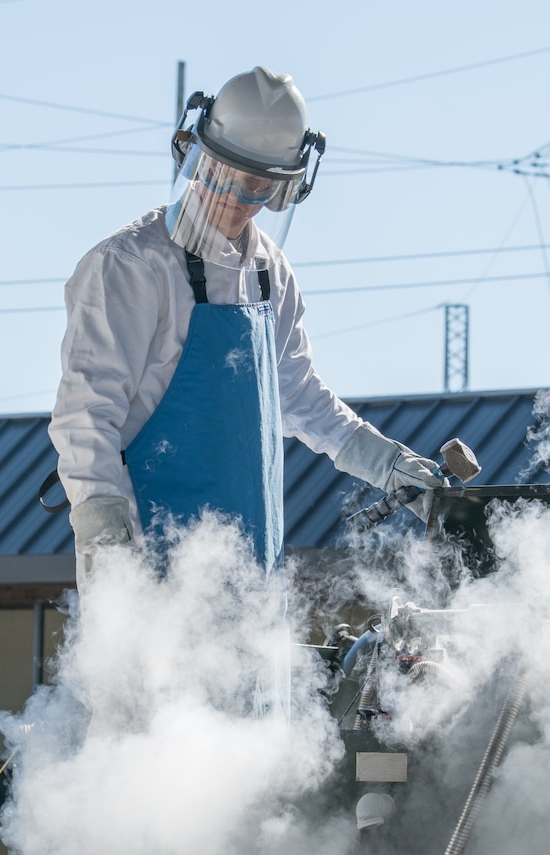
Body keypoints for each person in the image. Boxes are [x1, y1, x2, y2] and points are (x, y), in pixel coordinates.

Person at [49, 65, 447, 584]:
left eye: (259, 189)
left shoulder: (269, 274)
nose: (236, 201)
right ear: (195, 159)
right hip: (145, 564)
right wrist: (108, 544)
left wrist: (388, 465)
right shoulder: (131, 266)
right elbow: (86, 417)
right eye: (224, 179)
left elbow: (299, 395)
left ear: (284, 192)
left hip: (247, 565)